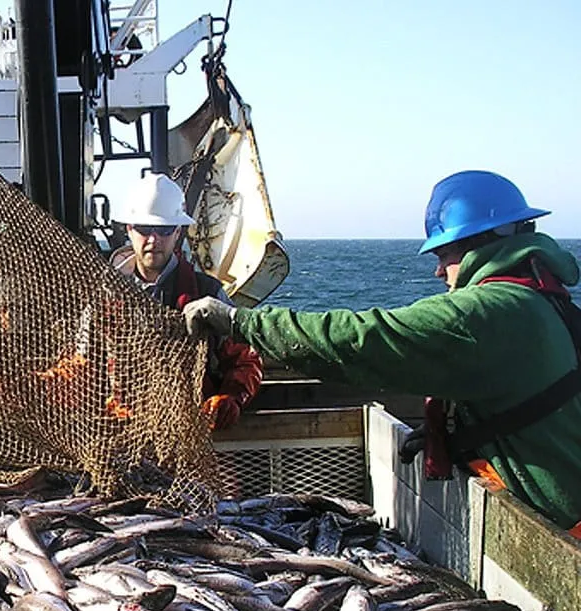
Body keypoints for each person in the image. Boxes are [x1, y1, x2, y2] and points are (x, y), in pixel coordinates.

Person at [182, 169, 581, 530]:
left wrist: (239, 322)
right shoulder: (538, 300)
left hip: (567, 538)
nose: (438, 271)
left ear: (479, 243)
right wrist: (462, 435)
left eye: (443, 253)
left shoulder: (491, 312)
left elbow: (364, 339)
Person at [112, 172, 262, 430]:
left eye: (164, 230)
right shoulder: (106, 295)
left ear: (178, 232)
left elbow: (245, 360)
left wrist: (232, 397)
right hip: (123, 431)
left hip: (191, 430)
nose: (153, 240)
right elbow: (83, 363)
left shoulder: (207, 294)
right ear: (129, 229)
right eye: (144, 229)